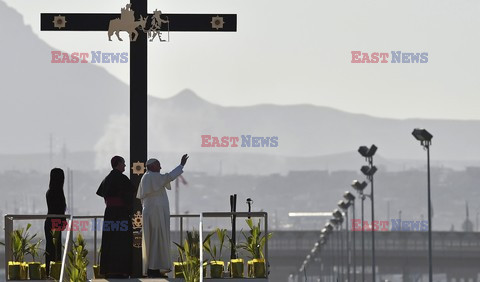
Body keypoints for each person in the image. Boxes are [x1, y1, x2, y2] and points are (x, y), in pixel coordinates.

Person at [136, 154, 189, 278]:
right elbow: (169, 177)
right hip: (155, 213)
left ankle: (155, 267)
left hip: (154, 212)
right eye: (158, 164)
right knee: (156, 239)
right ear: (152, 166)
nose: (161, 167)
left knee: (156, 239)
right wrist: (181, 165)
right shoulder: (151, 176)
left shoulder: (148, 177)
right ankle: (153, 268)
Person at [96, 156, 135, 278]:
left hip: (109, 214)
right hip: (121, 214)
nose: (124, 166)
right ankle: (122, 270)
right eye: (123, 163)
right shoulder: (122, 179)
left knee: (110, 241)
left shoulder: (107, 179)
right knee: (122, 242)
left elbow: (104, 195)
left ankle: (109, 270)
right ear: (118, 164)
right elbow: (129, 195)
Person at [44, 168, 67, 278]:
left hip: (50, 221)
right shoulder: (58, 193)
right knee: (56, 249)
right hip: (56, 222)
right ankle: (55, 274)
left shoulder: (50, 192)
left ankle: (49, 273)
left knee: (50, 248)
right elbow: (60, 209)